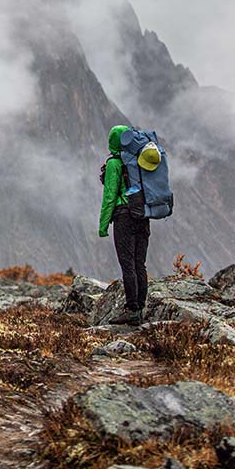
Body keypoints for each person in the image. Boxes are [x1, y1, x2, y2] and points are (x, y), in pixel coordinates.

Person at [98, 124, 150, 325]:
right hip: (142, 216)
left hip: (124, 217)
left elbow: (110, 196)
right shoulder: (139, 161)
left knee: (127, 264)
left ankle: (131, 309)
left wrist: (103, 225)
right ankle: (140, 308)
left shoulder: (114, 164)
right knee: (139, 264)